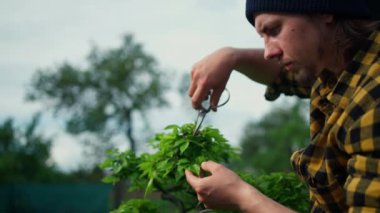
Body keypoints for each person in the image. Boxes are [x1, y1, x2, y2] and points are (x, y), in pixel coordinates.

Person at [185, 0, 380, 212]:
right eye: (263, 37)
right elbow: (284, 75)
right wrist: (232, 57)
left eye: (274, 30)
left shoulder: (372, 101)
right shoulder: (334, 65)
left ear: (324, 11)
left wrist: (243, 197)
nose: (268, 53)